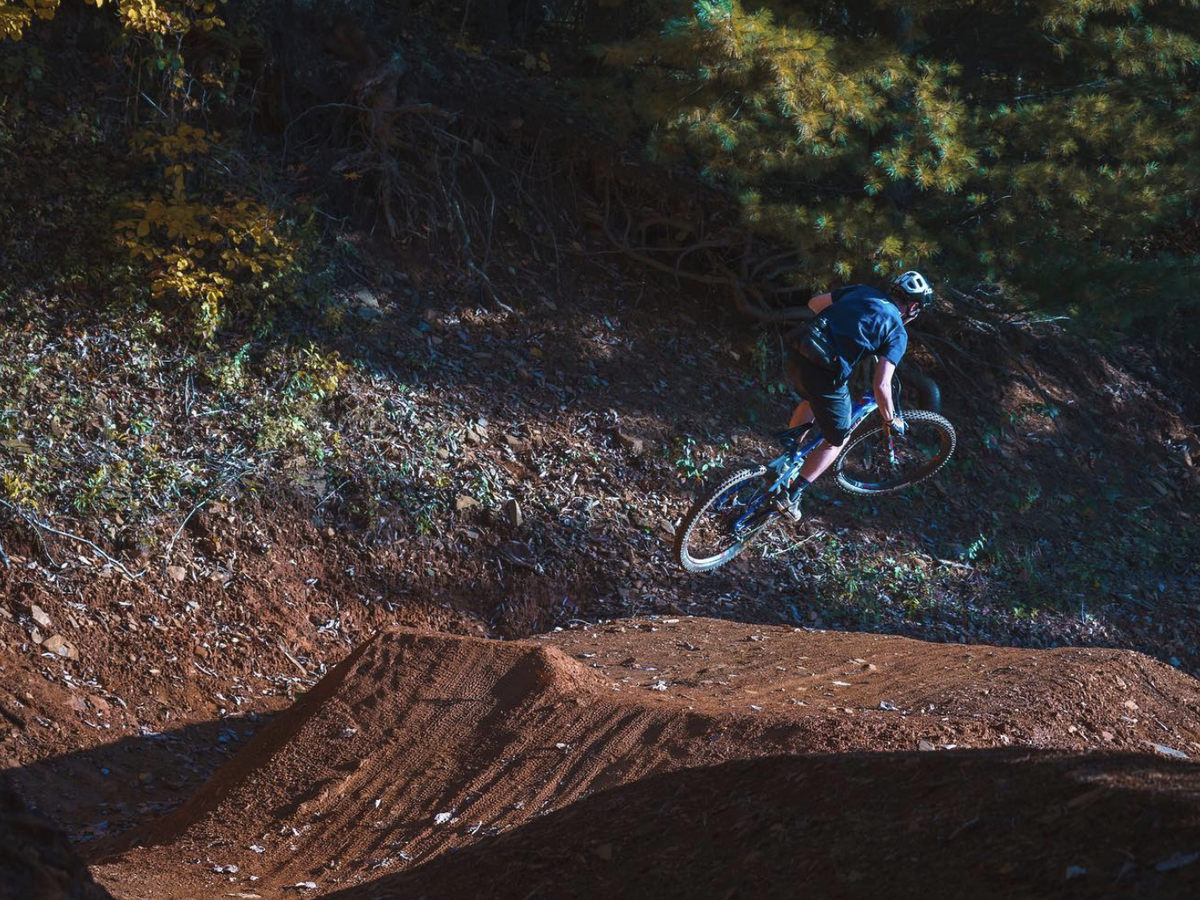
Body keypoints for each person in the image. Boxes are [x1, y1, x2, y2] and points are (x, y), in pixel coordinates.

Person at [779, 270, 933, 520]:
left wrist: (845, 326)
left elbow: (814, 303)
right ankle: (791, 495)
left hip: (799, 349)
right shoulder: (897, 331)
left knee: (812, 398)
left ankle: (785, 458)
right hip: (825, 370)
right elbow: (882, 385)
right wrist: (890, 420)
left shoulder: (862, 290)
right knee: (838, 438)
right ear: (914, 306)